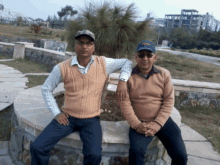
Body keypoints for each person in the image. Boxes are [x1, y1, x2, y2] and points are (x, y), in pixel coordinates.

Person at [30, 30, 132, 165]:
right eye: (81, 43)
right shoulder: (62, 68)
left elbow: (127, 62)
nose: (84, 47)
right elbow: (46, 89)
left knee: (94, 155)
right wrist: (56, 113)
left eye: (88, 43)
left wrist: (123, 81)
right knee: (38, 147)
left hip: (91, 120)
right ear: (75, 45)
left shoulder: (103, 63)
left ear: (93, 47)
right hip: (67, 118)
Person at [118, 40, 188, 165]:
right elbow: (125, 103)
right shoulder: (128, 77)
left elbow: (169, 101)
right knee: (136, 153)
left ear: (155, 58)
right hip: (140, 122)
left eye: (149, 55)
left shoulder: (164, 74)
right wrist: (136, 124)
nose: (145, 58)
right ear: (136, 57)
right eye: (141, 55)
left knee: (181, 156)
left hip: (163, 121)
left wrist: (157, 123)